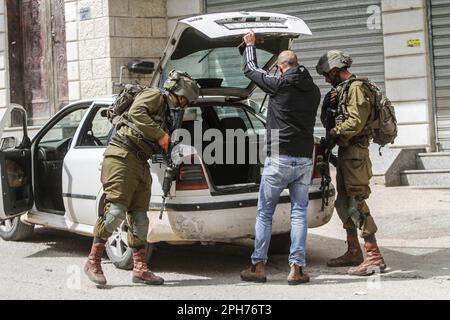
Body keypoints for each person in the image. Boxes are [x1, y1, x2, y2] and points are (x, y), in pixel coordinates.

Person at [84, 70, 200, 286]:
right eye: (186, 100)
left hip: (140, 162)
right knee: (115, 211)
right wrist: (160, 135)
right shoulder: (156, 95)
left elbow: (156, 140)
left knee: (140, 218)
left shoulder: (168, 112)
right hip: (121, 156)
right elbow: (137, 112)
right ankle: (93, 262)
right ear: (180, 93)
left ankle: (140, 268)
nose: (185, 105)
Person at [239, 31, 321, 285]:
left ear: (280, 67)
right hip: (304, 159)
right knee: (299, 213)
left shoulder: (280, 84)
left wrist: (249, 46)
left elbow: (251, 71)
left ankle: (258, 266)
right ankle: (296, 268)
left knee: (265, 214)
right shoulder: (314, 90)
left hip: (279, 158)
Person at [316, 50, 386, 276]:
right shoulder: (342, 91)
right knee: (343, 203)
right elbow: (336, 119)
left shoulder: (356, 88)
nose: (326, 79)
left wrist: (333, 134)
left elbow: (355, 123)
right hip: (347, 152)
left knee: (356, 203)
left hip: (356, 154)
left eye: (327, 74)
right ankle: (354, 251)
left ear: (336, 70)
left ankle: (374, 257)